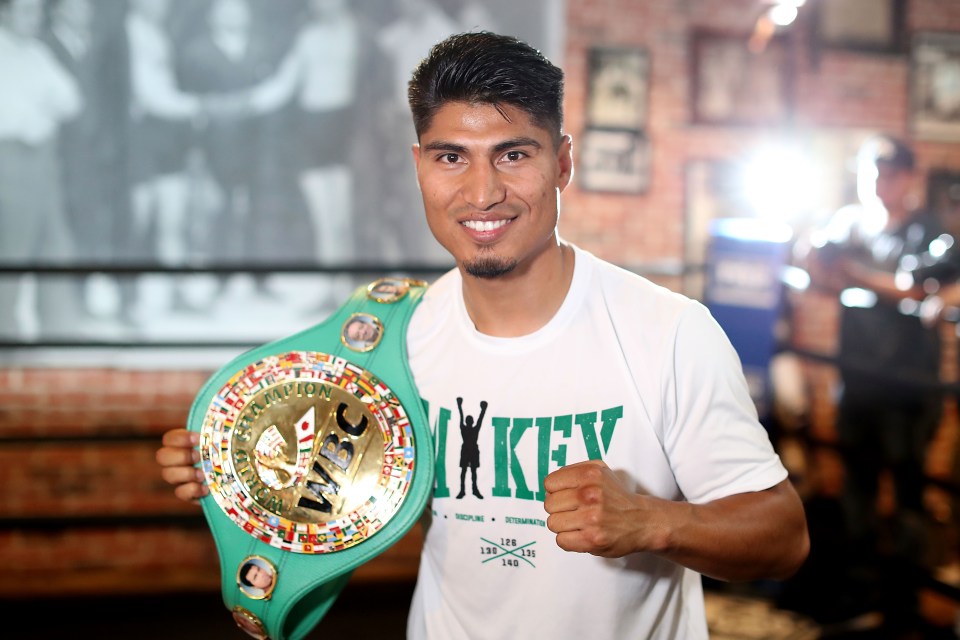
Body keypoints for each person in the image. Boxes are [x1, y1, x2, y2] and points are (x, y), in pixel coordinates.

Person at [157, 31, 809, 639]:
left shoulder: (666, 332)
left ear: (561, 163)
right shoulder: (397, 341)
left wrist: (657, 521)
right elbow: (329, 498)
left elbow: (783, 538)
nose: (482, 192)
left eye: (513, 155)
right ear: (420, 166)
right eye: (451, 158)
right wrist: (230, 473)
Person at [798, 133, 945, 633]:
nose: (878, 185)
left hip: (909, 386)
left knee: (907, 491)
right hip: (857, 377)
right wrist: (816, 252)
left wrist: (856, 274)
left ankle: (906, 605)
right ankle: (860, 597)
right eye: (871, 174)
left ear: (907, 178)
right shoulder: (849, 222)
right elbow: (815, 267)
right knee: (856, 490)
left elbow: (918, 285)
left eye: (888, 174)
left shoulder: (928, 230)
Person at [0, 0, 84, 338]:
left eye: (37, 13)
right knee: (13, 249)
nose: (33, 20)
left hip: (43, 163)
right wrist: (28, 118)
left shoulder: (37, 53)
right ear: (5, 13)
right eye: (25, 12)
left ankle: (59, 328)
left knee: (55, 243)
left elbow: (70, 98)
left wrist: (41, 112)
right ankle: (5, 330)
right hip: (9, 161)